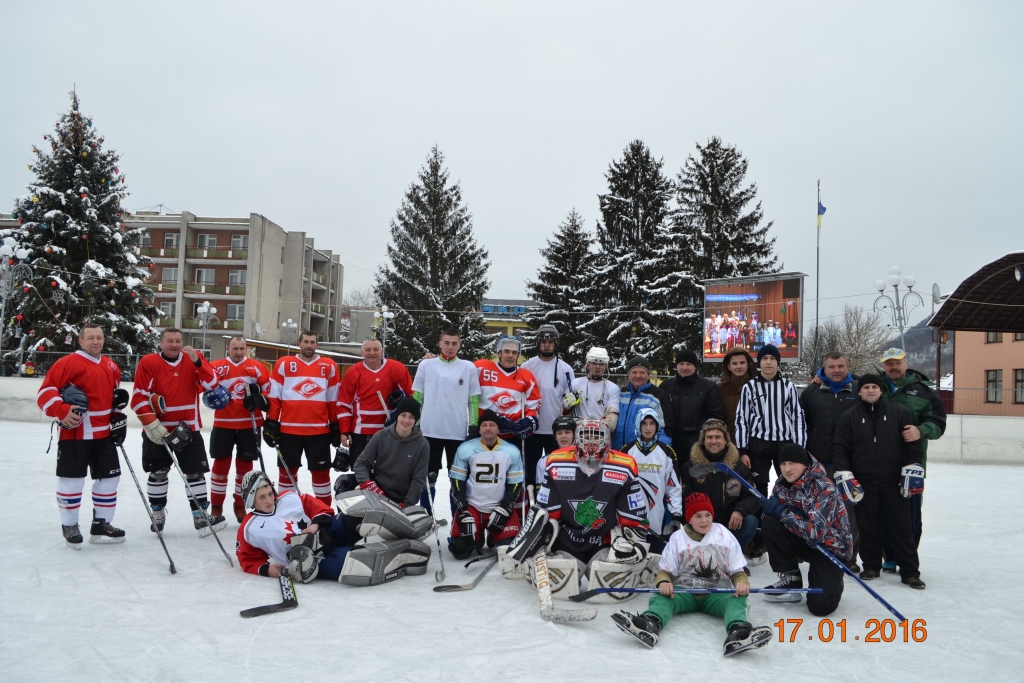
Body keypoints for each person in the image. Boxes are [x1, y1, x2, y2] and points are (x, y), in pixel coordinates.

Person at [502, 419, 651, 600]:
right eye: (586, 436)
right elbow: (547, 511)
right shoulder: (556, 461)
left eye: (597, 437)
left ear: (607, 439)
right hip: (567, 542)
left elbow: (633, 513)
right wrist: (539, 540)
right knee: (560, 592)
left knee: (611, 595)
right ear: (577, 438)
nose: (591, 442)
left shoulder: (624, 465)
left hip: (603, 542)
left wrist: (637, 541)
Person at [611, 492, 771, 656]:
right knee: (661, 596)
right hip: (684, 591)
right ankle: (650, 624)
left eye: (708, 515)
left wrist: (741, 583)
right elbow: (666, 570)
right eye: (698, 516)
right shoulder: (677, 538)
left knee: (737, 600)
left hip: (717, 593)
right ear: (689, 518)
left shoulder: (723, 534)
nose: (704, 520)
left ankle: (739, 632)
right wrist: (664, 582)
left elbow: (737, 570)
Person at [236, 470, 430, 585]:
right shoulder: (249, 528)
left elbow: (319, 508)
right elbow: (247, 558)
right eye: (262, 497)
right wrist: (266, 570)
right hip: (310, 560)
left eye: (270, 493)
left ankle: (408, 525)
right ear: (251, 499)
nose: (269, 500)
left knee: (359, 514)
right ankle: (405, 552)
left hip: (325, 533)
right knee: (358, 563)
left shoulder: (288, 498)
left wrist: (314, 526)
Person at [832, 374, 926, 588]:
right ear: (859, 391)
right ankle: (871, 566)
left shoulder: (899, 413)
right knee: (868, 525)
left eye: (875, 386)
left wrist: (912, 468)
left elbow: (913, 445)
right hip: (863, 481)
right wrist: (844, 472)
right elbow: (840, 447)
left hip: (893, 480)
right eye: (866, 387)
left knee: (902, 526)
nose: (871, 390)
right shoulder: (849, 416)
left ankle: (910, 571)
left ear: (881, 390)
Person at [37, 322, 126, 547]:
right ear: (81, 341)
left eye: (99, 337)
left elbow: (113, 398)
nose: (96, 341)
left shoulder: (111, 366)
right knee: (72, 480)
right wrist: (62, 410)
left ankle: (101, 524)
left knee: (109, 479)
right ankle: (70, 525)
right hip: (76, 434)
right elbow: (46, 392)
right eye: (91, 338)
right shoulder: (67, 363)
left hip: (104, 435)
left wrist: (117, 417)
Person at [131, 327, 224, 534]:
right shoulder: (149, 362)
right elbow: (138, 398)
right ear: (161, 343)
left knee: (196, 474)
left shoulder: (193, 359)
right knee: (158, 473)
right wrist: (152, 424)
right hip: (158, 430)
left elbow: (213, 384)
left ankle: (200, 516)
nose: (174, 345)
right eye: (170, 341)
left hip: (188, 428)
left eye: (178, 341)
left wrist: (198, 362)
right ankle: (157, 513)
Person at [760, 443, 853, 616]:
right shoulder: (781, 485)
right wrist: (771, 511)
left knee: (820, 607)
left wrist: (784, 513)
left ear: (804, 464)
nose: (787, 469)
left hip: (830, 548)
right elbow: (774, 517)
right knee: (770, 522)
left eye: (792, 463)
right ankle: (791, 578)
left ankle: (833, 581)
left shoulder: (825, 488)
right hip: (804, 541)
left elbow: (815, 533)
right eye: (783, 464)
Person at [876, 347, 946, 559]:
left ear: (906, 363)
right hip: (880, 463)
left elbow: (938, 424)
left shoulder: (924, 392)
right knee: (882, 512)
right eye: (889, 363)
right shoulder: (875, 387)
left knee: (911, 513)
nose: (894, 367)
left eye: (898, 362)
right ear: (883, 366)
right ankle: (888, 555)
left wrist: (920, 430)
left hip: (912, 463)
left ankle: (907, 557)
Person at [800, 352, 861, 569]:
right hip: (819, 462)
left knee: (849, 510)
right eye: (831, 366)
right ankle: (820, 550)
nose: (836, 370)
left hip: (850, 463)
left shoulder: (858, 390)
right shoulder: (811, 392)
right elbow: (801, 425)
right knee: (819, 508)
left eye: (841, 366)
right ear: (823, 369)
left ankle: (849, 555)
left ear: (848, 366)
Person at [264, 331, 339, 505]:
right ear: (299, 343)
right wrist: (271, 421)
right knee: (287, 472)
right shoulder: (284, 364)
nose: (309, 345)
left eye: (312, 342)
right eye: (306, 341)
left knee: (321, 473)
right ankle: (287, 511)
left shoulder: (329, 365)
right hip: (289, 430)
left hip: (319, 431)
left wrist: (335, 424)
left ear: (317, 345)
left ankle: (324, 512)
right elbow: (275, 396)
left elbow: (333, 398)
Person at [412, 329, 482, 505]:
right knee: (428, 478)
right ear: (439, 343)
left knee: (457, 480)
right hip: (429, 431)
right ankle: (427, 516)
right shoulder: (426, 365)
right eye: (446, 343)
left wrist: (473, 427)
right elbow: (417, 397)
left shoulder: (468, 367)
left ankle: (457, 521)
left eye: (454, 343)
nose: (450, 347)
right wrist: (416, 423)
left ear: (459, 344)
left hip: (457, 434)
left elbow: (473, 400)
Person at [209, 335, 271, 523]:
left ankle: (240, 504)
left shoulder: (257, 367)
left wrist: (259, 397)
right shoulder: (216, 366)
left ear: (247, 349)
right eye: (235, 348)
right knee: (220, 468)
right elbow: (205, 387)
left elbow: (269, 390)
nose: (238, 352)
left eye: (242, 348)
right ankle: (216, 506)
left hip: (249, 424)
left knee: (244, 469)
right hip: (223, 424)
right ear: (228, 348)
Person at [678, 419, 761, 560]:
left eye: (718, 437)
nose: (713, 441)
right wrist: (701, 515)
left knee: (751, 520)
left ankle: (733, 558)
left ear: (726, 441)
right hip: (702, 522)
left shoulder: (739, 468)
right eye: (709, 437)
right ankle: (703, 557)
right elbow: (685, 496)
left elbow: (753, 496)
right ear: (703, 441)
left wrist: (740, 511)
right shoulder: (690, 467)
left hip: (730, 523)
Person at [448, 410, 525, 558]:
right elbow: (457, 482)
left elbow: (515, 485)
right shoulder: (466, 448)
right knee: (459, 550)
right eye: (484, 425)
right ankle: (477, 538)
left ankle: (494, 536)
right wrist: (463, 509)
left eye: (492, 425)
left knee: (508, 550)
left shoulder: (511, 451)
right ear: (479, 429)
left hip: (498, 506)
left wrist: (505, 508)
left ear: (498, 429)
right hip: (473, 507)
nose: (488, 428)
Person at [734, 344, 806, 499]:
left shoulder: (788, 387)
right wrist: (742, 450)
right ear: (759, 362)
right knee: (758, 486)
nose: (768, 362)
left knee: (789, 483)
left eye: (772, 358)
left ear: (778, 362)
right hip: (758, 444)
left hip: (784, 443)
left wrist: (799, 448)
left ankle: (787, 518)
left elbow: (798, 417)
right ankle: (761, 519)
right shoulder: (750, 387)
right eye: (765, 358)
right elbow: (741, 419)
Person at [336, 338, 413, 464]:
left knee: (388, 471)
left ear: (382, 351)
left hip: (390, 431)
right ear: (362, 353)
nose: (372, 353)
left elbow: (410, 397)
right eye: (368, 350)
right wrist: (345, 430)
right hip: (360, 432)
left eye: (376, 349)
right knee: (360, 470)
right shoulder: (353, 372)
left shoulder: (397, 368)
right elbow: (344, 405)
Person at [621, 408, 682, 552]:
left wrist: (676, 513)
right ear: (638, 425)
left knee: (656, 564)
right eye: (644, 424)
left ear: (657, 426)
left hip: (659, 520)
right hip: (632, 518)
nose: (648, 428)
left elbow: (673, 486)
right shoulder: (626, 451)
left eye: (652, 424)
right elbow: (619, 486)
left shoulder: (667, 452)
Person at [521, 325, 575, 486]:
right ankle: (531, 504)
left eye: (550, 341)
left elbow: (570, 400)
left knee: (556, 471)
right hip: (533, 429)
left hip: (556, 431)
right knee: (531, 472)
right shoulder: (527, 366)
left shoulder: (566, 369)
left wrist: (568, 406)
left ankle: (555, 505)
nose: (546, 345)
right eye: (543, 341)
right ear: (538, 343)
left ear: (555, 343)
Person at [352, 397, 430, 509]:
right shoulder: (381, 436)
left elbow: (418, 480)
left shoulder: (422, 444)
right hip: (375, 493)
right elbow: (361, 463)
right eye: (403, 415)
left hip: (399, 501)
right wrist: (369, 485)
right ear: (397, 415)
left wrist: (406, 505)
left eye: (411, 417)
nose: (406, 420)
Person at [660, 349, 724, 467]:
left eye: (689, 364)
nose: (685, 367)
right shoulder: (666, 386)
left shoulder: (708, 387)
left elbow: (715, 418)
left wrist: (704, 440)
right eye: (681, 364)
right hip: (669, 444)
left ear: (695, 367)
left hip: (696, 447)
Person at [474, 335, 541, 442]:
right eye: (507, 351)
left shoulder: (526, 376)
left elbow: (533, 404)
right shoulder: (481, 368)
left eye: (514, 353)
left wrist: (529, 421)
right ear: (499, 353)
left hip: (512, 436)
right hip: (484, 433)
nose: (510, 355)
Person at [613, 355, 673, 450]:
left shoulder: (659, 396)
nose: (638, 376)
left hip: (644, 454)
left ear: (648, 375)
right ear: (628, 374)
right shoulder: (621, 393)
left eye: (642, 372)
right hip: (618, 451)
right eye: (634, 372)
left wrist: (662, 451)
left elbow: (666, 429)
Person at [564, 347, 619, 431]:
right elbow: (565, 416)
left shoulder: (613, 388)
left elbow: (611, 424)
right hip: (579, 433)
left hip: (601, 435)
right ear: (588, 365)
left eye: (601, 364)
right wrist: (567, 408)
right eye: (594, 363)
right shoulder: (575, 384)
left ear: (605, 366)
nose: (597, 367)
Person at [717, 347, 756, 446]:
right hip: (728, 443)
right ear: (729, 366)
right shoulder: (720, 389)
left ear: (748, 364)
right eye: (734, 363)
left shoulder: (758, 386)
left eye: (742, 363)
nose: (738, 366)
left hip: (754, 443)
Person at [535, 415, 576, 484]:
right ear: (555, 436)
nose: (563, 436)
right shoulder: (544, 461)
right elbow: (541, 491)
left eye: (567, 432)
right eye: (559, 433)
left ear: (574, 435)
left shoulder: (582, 458)